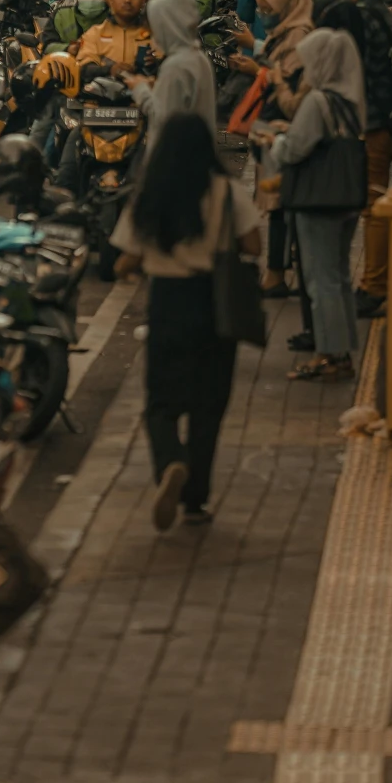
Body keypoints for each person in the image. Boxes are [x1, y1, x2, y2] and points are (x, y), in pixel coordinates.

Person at [114, 109, 259, 526]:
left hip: (167, 302)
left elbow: (126, 261)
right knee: (207, 406)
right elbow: (252, 245)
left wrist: (142, 262)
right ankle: (195, 501)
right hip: (214, 302)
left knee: (161, 403)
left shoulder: (150, 194)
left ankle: (170, 462)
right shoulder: (227, 192)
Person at [258, 29, 366, 382]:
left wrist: (275, 139)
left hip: (318, 199)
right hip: (345, 197)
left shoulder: (318, 101)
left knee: (321, 283)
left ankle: (328, 355)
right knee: (337, 278)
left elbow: (293, 151)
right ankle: (342, 352)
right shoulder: (350, 101)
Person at [318, 0, 392, 316]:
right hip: (381, 117)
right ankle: (372, 282)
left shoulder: (361, 15)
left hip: (372, 121)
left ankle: (374, 287)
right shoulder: (381, 12)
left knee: (373, 203)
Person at [133, 0, 216, 144]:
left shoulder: (176, 66)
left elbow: (162, 117)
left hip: (174, 157)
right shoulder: (197, 56)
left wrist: (140, 88)